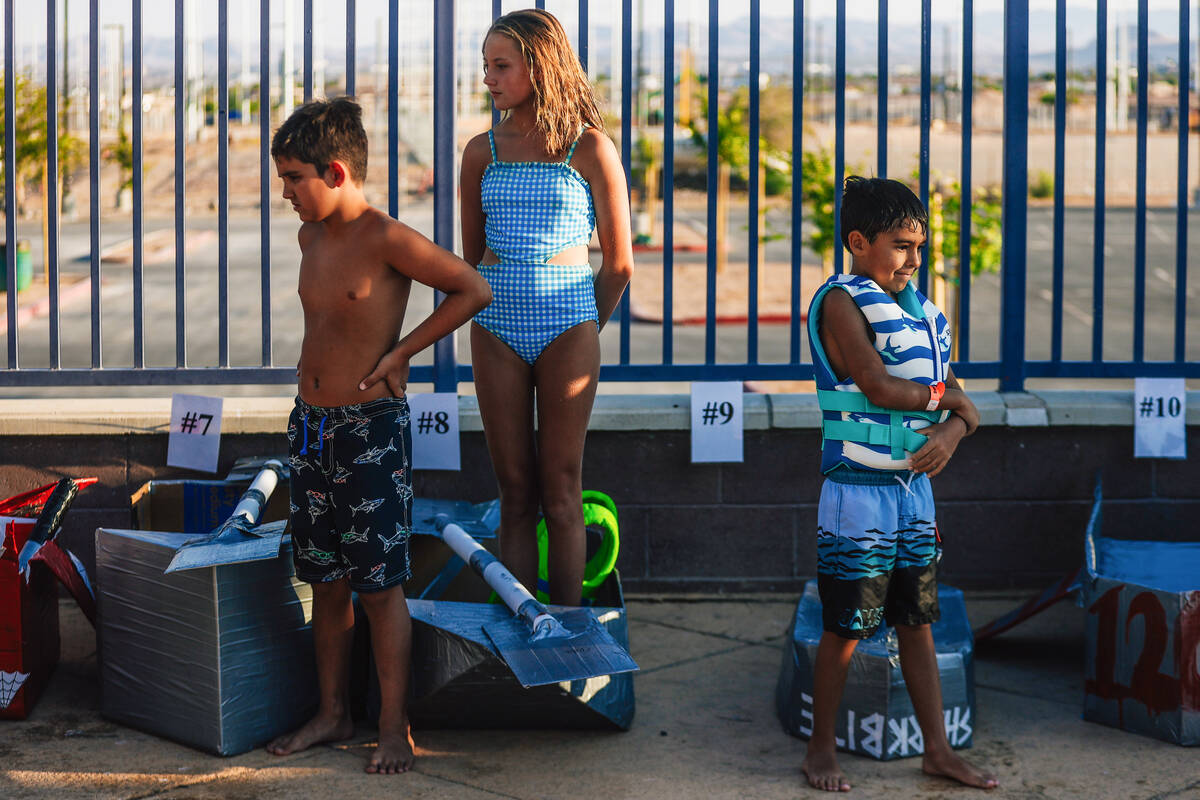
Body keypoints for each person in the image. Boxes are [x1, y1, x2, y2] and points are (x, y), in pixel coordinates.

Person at [264, 97, 491, 774]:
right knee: (325, 581)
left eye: (294, 178)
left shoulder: (386, 237)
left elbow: (470, 288)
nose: (286, 194)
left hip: (370, 433)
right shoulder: (310, 238)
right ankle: (333, 712)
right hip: (311, 429)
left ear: (335, 170)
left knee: (378, 586)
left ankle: (395, 726)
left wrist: (402, 353)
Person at [801, 176, 995, 792]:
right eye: (900, 245)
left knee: (917, 620)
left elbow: (971, 409)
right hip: (858, 494)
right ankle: (820, 749)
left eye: (920, 246)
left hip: (913, 494)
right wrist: (946, 402)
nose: (914, 259)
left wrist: (950, 434)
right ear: (859, 242)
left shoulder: (927, 315)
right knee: (847, 627)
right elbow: (881, 388)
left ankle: (936, 749)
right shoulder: (841, 302)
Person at [460, 9, 634, 606]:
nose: (488, 77)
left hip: (568, 329)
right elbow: (472, 258)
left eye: (500, 65)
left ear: (538, 67)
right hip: (495, 328)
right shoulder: (479, 152)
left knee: (561, 491)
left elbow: (619, 264)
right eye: (486, 65)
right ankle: (517, 628)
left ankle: (567, 630)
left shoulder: (589, 147)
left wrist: (582, 325)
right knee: (514, 491)